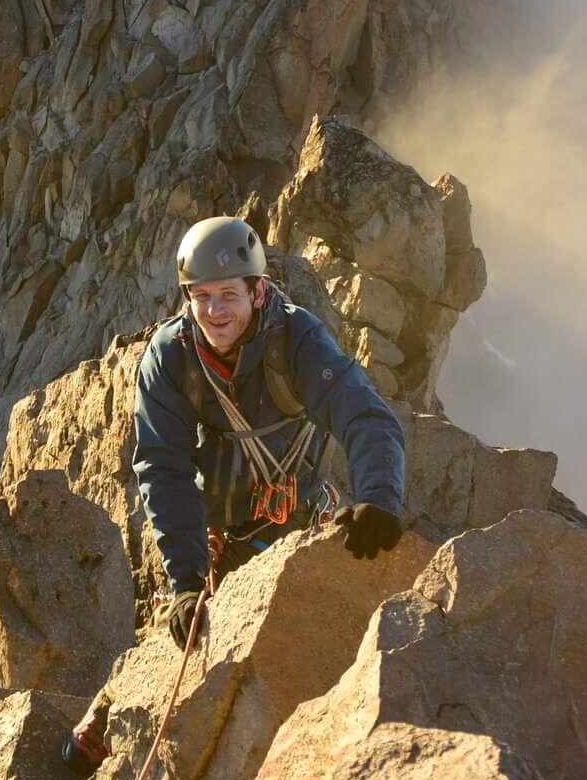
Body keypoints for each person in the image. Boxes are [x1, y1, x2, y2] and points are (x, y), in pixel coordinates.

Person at [133, 214, 407, 649]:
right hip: (220, 540)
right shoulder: (171, 358)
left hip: (300, 524)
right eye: (201, 296)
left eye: (228, 294)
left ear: (258, 291)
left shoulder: (298, 340)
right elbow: (163, 466)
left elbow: (363, 415)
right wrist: (187, 581)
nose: (214, 311)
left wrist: (378, 499)